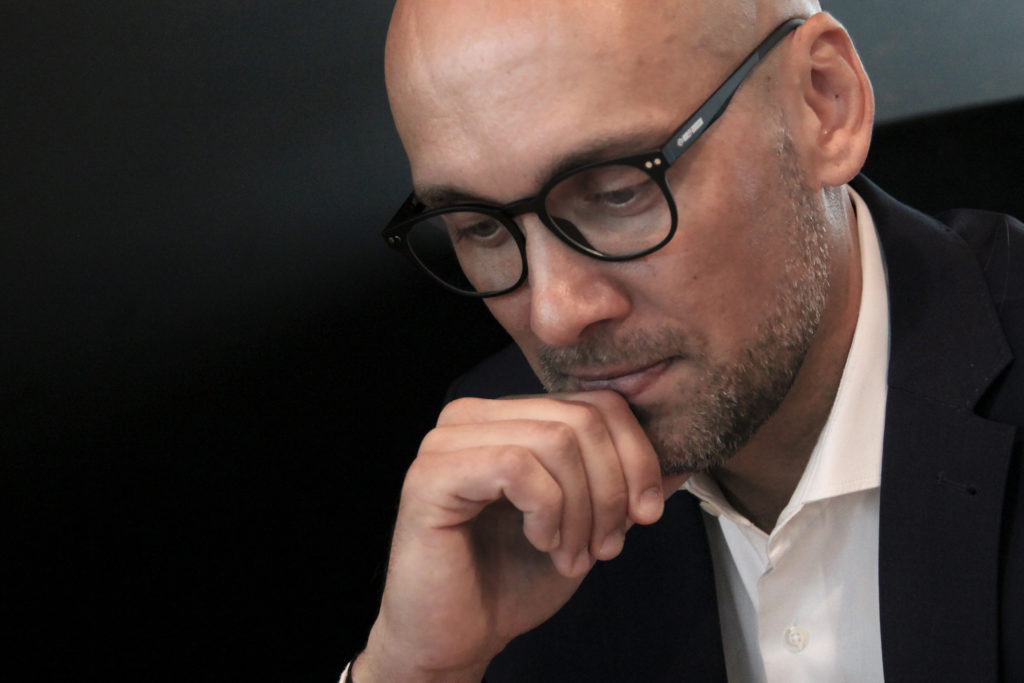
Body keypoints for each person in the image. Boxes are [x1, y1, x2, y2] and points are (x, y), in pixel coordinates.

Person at [347, 0, 1024, 680]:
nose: (555, 314)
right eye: (481, 228)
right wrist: (411, 671)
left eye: (619, 192)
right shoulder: (502, 491)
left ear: (824, 103)